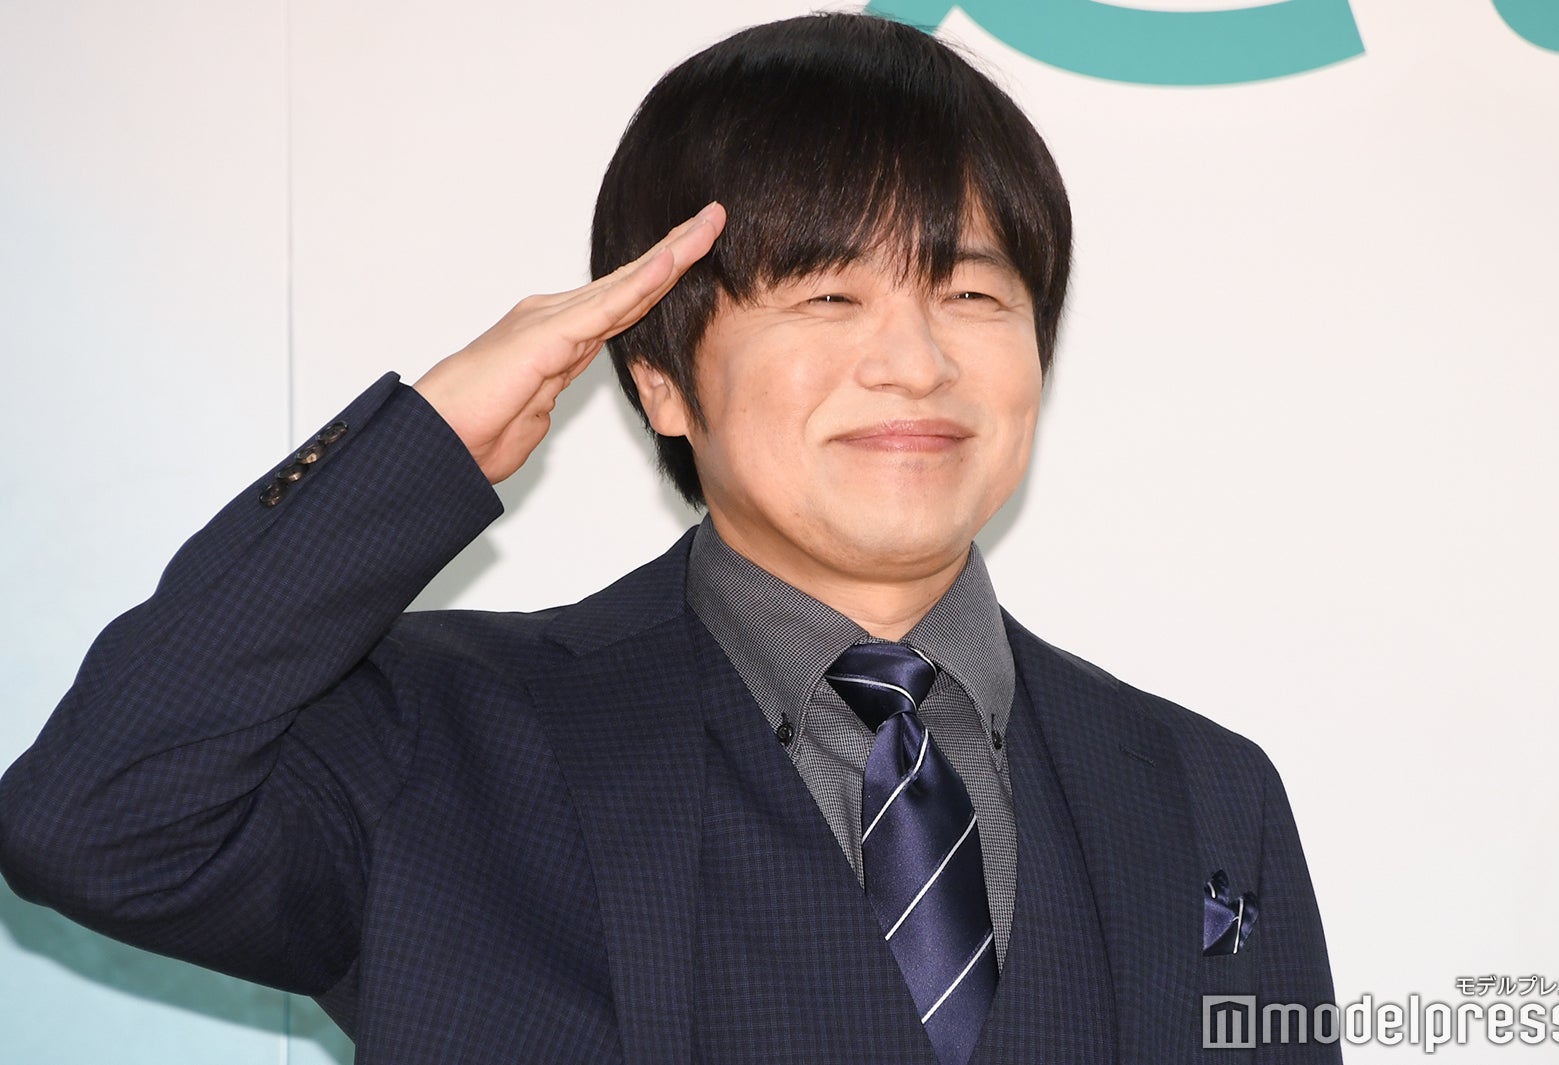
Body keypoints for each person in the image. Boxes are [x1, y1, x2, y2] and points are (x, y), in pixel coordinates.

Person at [0, 12, 1337, 1063]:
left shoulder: (1200, 790)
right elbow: (94, 819)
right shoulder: (441, 740)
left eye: (972, 293)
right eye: (828, 296)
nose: (915, 361)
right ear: (659, 378)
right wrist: (418, 447)